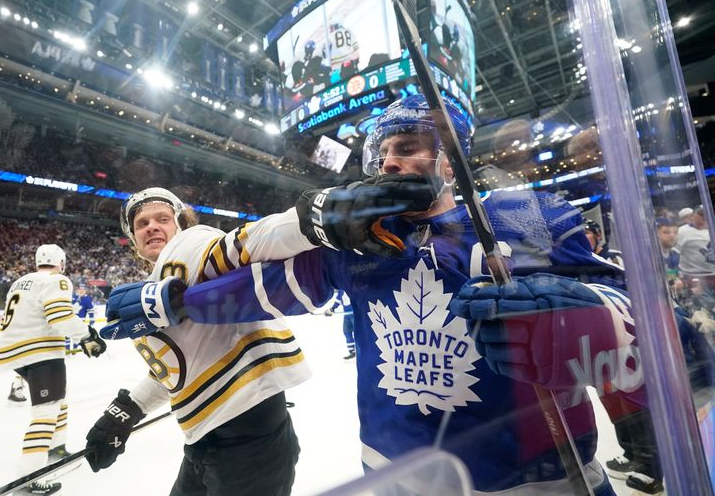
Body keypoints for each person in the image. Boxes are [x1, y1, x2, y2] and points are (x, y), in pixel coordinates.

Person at [104, 95, 641, 494]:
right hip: (398, 475)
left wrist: (595, 318)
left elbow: (633, 309)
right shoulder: (360, 244)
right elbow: (255, 293)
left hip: (540, 480)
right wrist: (173, 302)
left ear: (450, 160)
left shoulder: (523, 217)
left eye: (407, 148)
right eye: (382, 153)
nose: (388, 162)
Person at [85, 180, 435, 496]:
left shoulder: (189, 247)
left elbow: (246, 243)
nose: (151, 227)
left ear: (181, 224)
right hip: (202, 442)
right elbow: (178, 366)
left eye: (161, 218)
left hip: (250, 440)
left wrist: (315, 219)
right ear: (132, 239)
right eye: (141, 224)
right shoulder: (150, 286)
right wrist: (126, 411)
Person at [0, 244, 107, 495]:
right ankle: (29, 478)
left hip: (16, 353)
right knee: (45, 413)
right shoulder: (57, 280)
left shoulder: (20, 281)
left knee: (60, 399)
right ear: (62, 263)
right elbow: (59, 316)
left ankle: (56, 445)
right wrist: (88, 335)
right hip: (40, 354)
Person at [324, 289, 355, 360]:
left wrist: (332, 309)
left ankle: (358, 351)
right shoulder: (342, 288)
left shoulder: (344, 287)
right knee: (347, 333)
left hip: (353, 315)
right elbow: (338, 301)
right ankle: (352, 351)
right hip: (347, 315)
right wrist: (332, 309)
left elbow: (337, 301)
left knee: (355, 333)